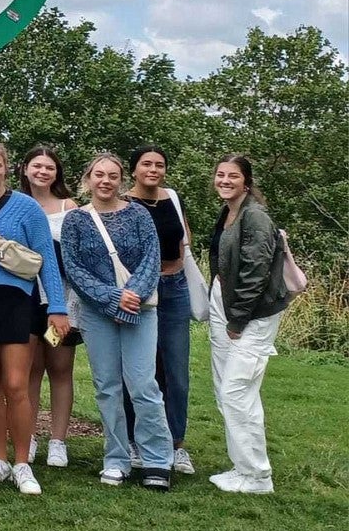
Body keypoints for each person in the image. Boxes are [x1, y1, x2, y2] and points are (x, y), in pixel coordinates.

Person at [0, 139, 69, 495]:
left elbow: (47, 260)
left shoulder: (26, 208)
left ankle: (23, 463)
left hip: (19, 301)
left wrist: (57, 307)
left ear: (7, 168)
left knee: (17, 385)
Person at [60, 152, 174, 491]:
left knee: (143, 386)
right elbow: (73, 267)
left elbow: (152, 260)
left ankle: (156, 459)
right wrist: (111, 297)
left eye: (112, 175)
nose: (105, 181)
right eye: (99, 174)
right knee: (107, 387)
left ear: (121, 179)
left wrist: (132, 295)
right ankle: (116, 457)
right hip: (98, 313)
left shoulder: (138, 215)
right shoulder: (76, 221)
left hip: (140, 311)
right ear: (88, 179)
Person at [206, 153, 290, 494]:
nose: (225, 181)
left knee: (236, 391)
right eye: (220, 175)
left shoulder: (254, 216)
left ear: (247, 181)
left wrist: (237, 319)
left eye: (233, 176)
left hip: (251, 313)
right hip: (223, 303)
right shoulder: (229, 212)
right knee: (228, 391)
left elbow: (255, 270)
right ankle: (243, 467)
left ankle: (256, 476)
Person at [123, 145, 195, 475]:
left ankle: (176, 444)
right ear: (133, 169)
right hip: (140, 291)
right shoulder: (123, 203)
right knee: (141, 371)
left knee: (176, 372)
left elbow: (184, 239)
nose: (153, 169)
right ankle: (137, 441)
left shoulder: (172, 198)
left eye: (160, 164)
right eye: (146, 164)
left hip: (175, 287)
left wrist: (176, 269)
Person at [19, 144, 81, 469]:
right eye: (37, 166)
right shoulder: (15, 205)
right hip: (26, 301)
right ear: (25, 169)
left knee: (60, 368)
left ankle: (58, 440)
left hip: (61, 301)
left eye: (49, 167)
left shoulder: (70, 208)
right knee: (30, 369)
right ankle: (27, 436)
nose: (43, 172)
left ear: (56, 173)